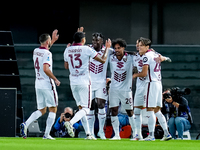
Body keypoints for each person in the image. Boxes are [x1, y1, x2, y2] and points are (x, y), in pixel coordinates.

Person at [63, 27, 111, 140]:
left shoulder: (68, 49)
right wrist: (107, 49)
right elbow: (103, 60)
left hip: (73, 82)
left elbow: (66, 66)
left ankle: (89, 134)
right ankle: (71, 122)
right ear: (83, 40)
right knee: (86, 108)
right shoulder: (86, 49)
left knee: (81, 108)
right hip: (84, 82)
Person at [20, 30, 60, 140]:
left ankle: (26, 124)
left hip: (38, 83)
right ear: (47, 42)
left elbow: (45, 50)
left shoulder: (36, 50)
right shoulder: (48, 53)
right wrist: (55, 79)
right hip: (47, 83)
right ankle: (46, 135)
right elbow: (46, 68)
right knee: (53, 109)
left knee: (42, 110)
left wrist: (53, 40)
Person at [133, 37, 172, 141]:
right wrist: (164, 58)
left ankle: (151, 135)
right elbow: (166, 58)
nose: (139, 47)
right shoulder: (155, 54)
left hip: (150, 83)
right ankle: (167, 133)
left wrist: (134, 75)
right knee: (157, 110)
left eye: (141, 45)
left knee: (150, 109)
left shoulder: (146, 56)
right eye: (138, 45)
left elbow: (144, 73)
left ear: (147, 46)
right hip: (158, 83)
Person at [108, 38, 136, 140]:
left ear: (123, 48)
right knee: (114, 111)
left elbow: (141, 56)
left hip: (126, 90)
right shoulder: (111, 57)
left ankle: (136, 134)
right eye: (115, 48)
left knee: (129, 111)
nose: (117, 50)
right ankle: (116, 135)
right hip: (113, 89)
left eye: (119, 48)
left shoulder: (130, 57)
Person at [87, 32, 113, 139]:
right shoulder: (87, 49)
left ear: (102, 41)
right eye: (93, 40)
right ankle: (91, 132)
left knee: (101, 105)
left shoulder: (108, 50)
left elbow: (122, 52)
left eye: (97, 40)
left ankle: (101, 131)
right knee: (90, 107)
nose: (95, 42)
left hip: (101, 82)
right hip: (89, 82)